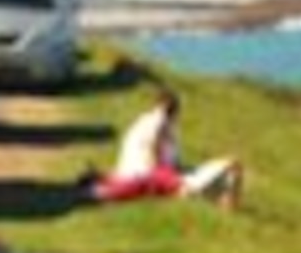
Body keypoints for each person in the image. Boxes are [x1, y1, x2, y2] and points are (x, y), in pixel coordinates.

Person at [90, 86, 242, 207]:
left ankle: (223, 201)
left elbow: (159, 154)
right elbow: (153, 151)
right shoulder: (158, 120)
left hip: (148, 173)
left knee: (215, 173)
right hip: (150, 174)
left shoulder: (151, 121)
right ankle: (227, 204)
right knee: (232, 165)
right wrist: (170, 177)